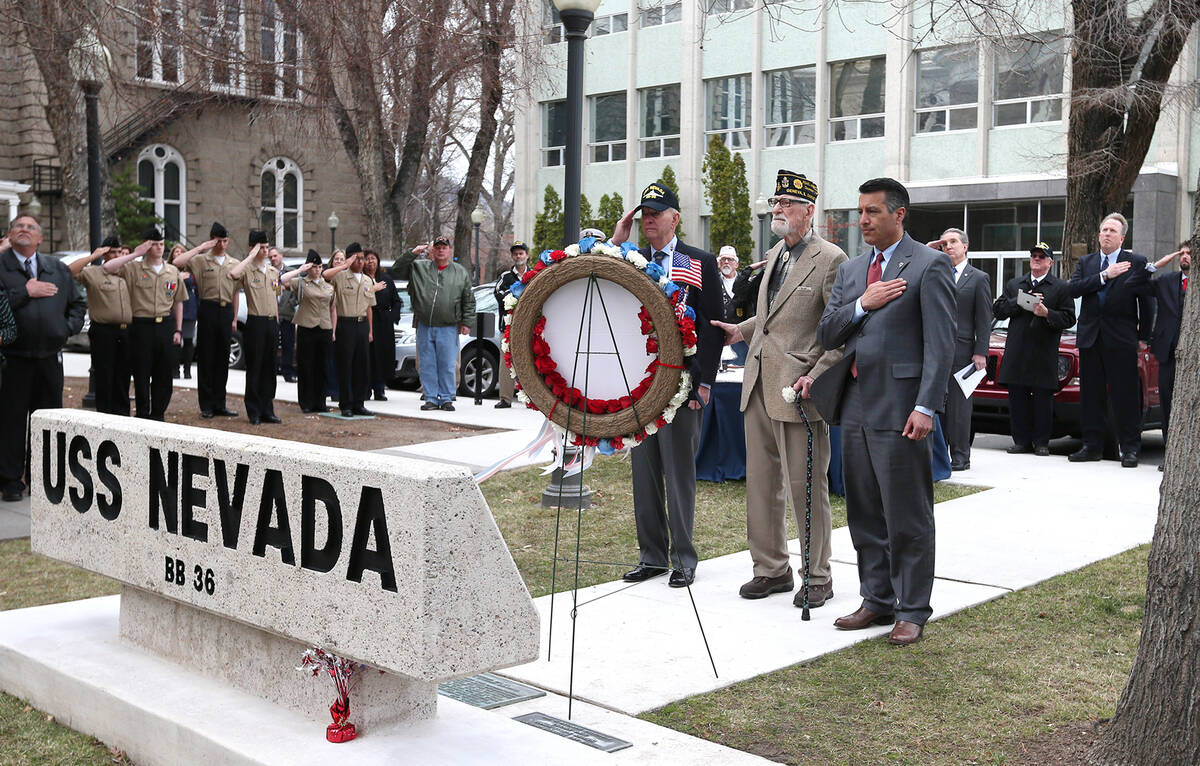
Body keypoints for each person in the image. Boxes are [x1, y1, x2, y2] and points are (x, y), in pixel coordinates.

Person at [813, 177, 955, 645]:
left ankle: (912, 608)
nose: (864, 221)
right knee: (864, 511)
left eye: (873, 212)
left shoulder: (929, 264)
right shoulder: (853, 271)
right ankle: (876, 599)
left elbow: (941, 345)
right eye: (861, 211)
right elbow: (828, 333)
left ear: (899, 214)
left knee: (908, 514)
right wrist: (861, 304)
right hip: (854, 407)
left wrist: (926, 407)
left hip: (902, 411)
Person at [711, 170, 847, 606]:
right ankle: (771, 570)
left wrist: (816, 374)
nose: (779, 209)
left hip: (799, 391)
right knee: (762, 485)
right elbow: (770, 318)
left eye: (788, 204)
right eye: (776, 202)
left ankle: (818, 575)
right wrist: (740, 331)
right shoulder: (775, 253)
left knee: (806, 486)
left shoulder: (831, 259)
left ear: (809, 211)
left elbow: (840, 332)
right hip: (757, 385)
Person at [611, 181, 723, 589]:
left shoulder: (699, 261)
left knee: (678, 475)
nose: (649, 220)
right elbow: (600, 287)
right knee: (644, 473)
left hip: (682, 385)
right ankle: (652, 556)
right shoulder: (630, 259)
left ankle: (683, 559)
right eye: (643, 214)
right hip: (639, 387)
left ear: (676, 218)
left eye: (657, 213)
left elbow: (712, 327)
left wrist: (704, 382)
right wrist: (617, 240)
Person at [0, 215, 86, 501]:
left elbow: (77, 303)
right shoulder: (2, 266)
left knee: (47, 421)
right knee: (11, 422)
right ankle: (11, 482)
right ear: (10, 235)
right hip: (13, 358)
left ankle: (40, 480)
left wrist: (66, 328)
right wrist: (24, 292)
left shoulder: (57, 269)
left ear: (40, 238)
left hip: (49, 358)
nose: (23, 229)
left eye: (30, 227)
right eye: (18, 226)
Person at [1067, 213, 1154, 467]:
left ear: (1122, 237)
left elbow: (1147, 303)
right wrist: (1105, 275)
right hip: (1091, 338)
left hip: (1122, 339)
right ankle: (1091, 446)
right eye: (1103, 230)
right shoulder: (1087, 262)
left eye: (1112, 231)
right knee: (1091, 396)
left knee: (1125, 396)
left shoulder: (1136, 262)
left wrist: (1143, 337)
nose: (1106, 234)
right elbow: (1073, 289)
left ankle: (1129, 449)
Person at [992, 242, 1077, 455]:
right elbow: (999, 310)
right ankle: (1021, 441)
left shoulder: (1060, 287)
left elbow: (1069, 318)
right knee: (1017, 398)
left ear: (1050, 262)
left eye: (1041, 256)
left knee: (1042, 400)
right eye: (1033, 256)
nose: (1036, 259)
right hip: (1018, 350)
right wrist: (1019, 301)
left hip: (1043, 351)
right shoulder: (1015, 284)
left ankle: (1041, 443)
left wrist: (1047, 313)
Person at [103, 227, 188, 421]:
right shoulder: (134, 268)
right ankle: (142, 413)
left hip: (165, 324)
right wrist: (136, 253)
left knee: (164, 373)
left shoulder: (172, 271)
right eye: (154, 244)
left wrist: (178, 329)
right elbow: (108, 267)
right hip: (141, 326)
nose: (159, 248)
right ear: (146, 245)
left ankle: (158, 414)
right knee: (142, 372)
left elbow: (178, 301)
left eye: (161, 244)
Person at [929, 228, 992, 471]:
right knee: (937, 404)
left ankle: (960, 456)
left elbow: (983, 319)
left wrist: (981, 351)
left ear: (965, 246)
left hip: (963, 351)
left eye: (953, 242)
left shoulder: (978, 278)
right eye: (944, 243)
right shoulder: (935, 273)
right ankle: (939, 455)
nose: (949, 247)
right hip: (936, 349)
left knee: (959, 408)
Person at [393, 235, 475, 412]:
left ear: (449, 250)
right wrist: (412, 253)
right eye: (437, 247)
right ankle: (430, 398)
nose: (440, 250)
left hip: (448, 326)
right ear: (432, 250)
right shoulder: (419, 268)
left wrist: (467, 322)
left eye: (444, 247)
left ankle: (446, 398)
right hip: (425, 325)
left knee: (447, 364)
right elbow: (397, 270)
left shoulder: (460, 272)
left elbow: (468, 299)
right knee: (427, 364)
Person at [173, 222, 240, 419]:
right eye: (218, 241)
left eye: (225, 241)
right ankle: (207, 405)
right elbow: (177, 262)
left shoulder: (234, 263)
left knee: (222, 358)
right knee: (207, 358)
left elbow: (236, 293)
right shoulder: (201, 260)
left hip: (226, 310)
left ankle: (220, 403)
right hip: (208, 309)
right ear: (212, 240)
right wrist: (201, 247)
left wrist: (235, 317)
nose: (221, 245)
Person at [69, 235, 132, 414]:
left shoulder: (128, 272)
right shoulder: (93, 272)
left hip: (126, 331)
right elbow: (70, 271)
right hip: (104, 331)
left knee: (123, 375)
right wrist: (92, 256)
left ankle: (122, 414)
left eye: (119, 252)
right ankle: (104, 413)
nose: (116, 255)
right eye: (112, 252)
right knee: (104, 374)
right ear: (104, 254)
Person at [230, 231, 281, 424]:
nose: (266, 250)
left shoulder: (273, 272)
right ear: (253, 247)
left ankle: (268, 408)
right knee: (255, 367)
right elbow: (233, 273)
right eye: (262, 247)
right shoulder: (247, 269)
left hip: (270, 323)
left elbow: (276, 297)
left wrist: (276, 322)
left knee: (270, 368)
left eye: (267, 247)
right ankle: (253, 410)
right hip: (255, 322)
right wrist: (251, 255)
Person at [324, 242, 376, 417]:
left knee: (362, 366)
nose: (361, 262)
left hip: (361, 324)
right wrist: (345, 264)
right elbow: (325, 274)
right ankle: (345, 403)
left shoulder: (368, 280)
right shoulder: (341, 276)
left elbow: (369, 306)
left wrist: (370, 331)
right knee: (345, 365)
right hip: (345, 324)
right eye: (357, 258)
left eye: (362, 258)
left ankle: (359, 403)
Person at [1149, 241, 1189, 458]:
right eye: (1181, 253)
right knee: (1167, 401)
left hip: (1194, 356)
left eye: (1189, 253)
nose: (1184, 257)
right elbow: (1138, 285)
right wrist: (1156, 266)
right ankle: (1170, 454)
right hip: (1168, 354)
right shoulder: (1166, 280)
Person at [282, 250, 336, 413]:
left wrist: (333, 330)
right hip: (307, 327)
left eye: (320, 266)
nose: (317, 270)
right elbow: (281, 281)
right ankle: (306, 402)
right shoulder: (301, 282)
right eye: (314, 266)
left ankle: (320, 402)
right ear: (308, 267)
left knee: (322, 366)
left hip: (324, 328)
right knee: (306, 366)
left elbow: (333, 308)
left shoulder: (329, 286)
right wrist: (300, 270)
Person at [493, 241, 530, 408]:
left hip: (529, 327)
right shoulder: (505, 276)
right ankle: (505, 398)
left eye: (521, 253)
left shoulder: (535, 274)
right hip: (507, 327)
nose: (518, 256)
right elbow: (498, 294)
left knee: (529, 362)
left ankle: (532, 399)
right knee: (506, 363)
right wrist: (516, 294)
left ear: (527, 255)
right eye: (515, 253)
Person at [364, 249, 400, 401]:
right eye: (367, 259)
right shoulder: (362, 279)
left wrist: (392, 316)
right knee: (367, 356)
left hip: (384, 322)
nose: (371, 261)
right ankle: (365, 389)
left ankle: (380, 389)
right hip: (366, 320)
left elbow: (396, 301)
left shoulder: (386, 280)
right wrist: (373, 288)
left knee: (382, 356)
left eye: (373, 258)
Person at [168, 244, 199, 380]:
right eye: (176, 252)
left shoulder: (192, 271)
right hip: (173, 307)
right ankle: (175, 369)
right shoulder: (168, 270)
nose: (178, 254)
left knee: (188, 340)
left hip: (190, 307)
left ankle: (187, 370)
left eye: (181, 252)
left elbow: (197, 289)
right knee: (175, 341)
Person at [271, 247, 298, 384]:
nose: (273, 259)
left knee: (288, 344)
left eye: (275, 256)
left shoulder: (290, 273)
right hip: (272, 313)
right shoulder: (269, 273)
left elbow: (297, 292)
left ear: (281, 256)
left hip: (288, 313)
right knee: (273, 344)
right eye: (271, 257)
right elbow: (273, 293)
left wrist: (291, 303)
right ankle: (273, 370)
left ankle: (288, 372)